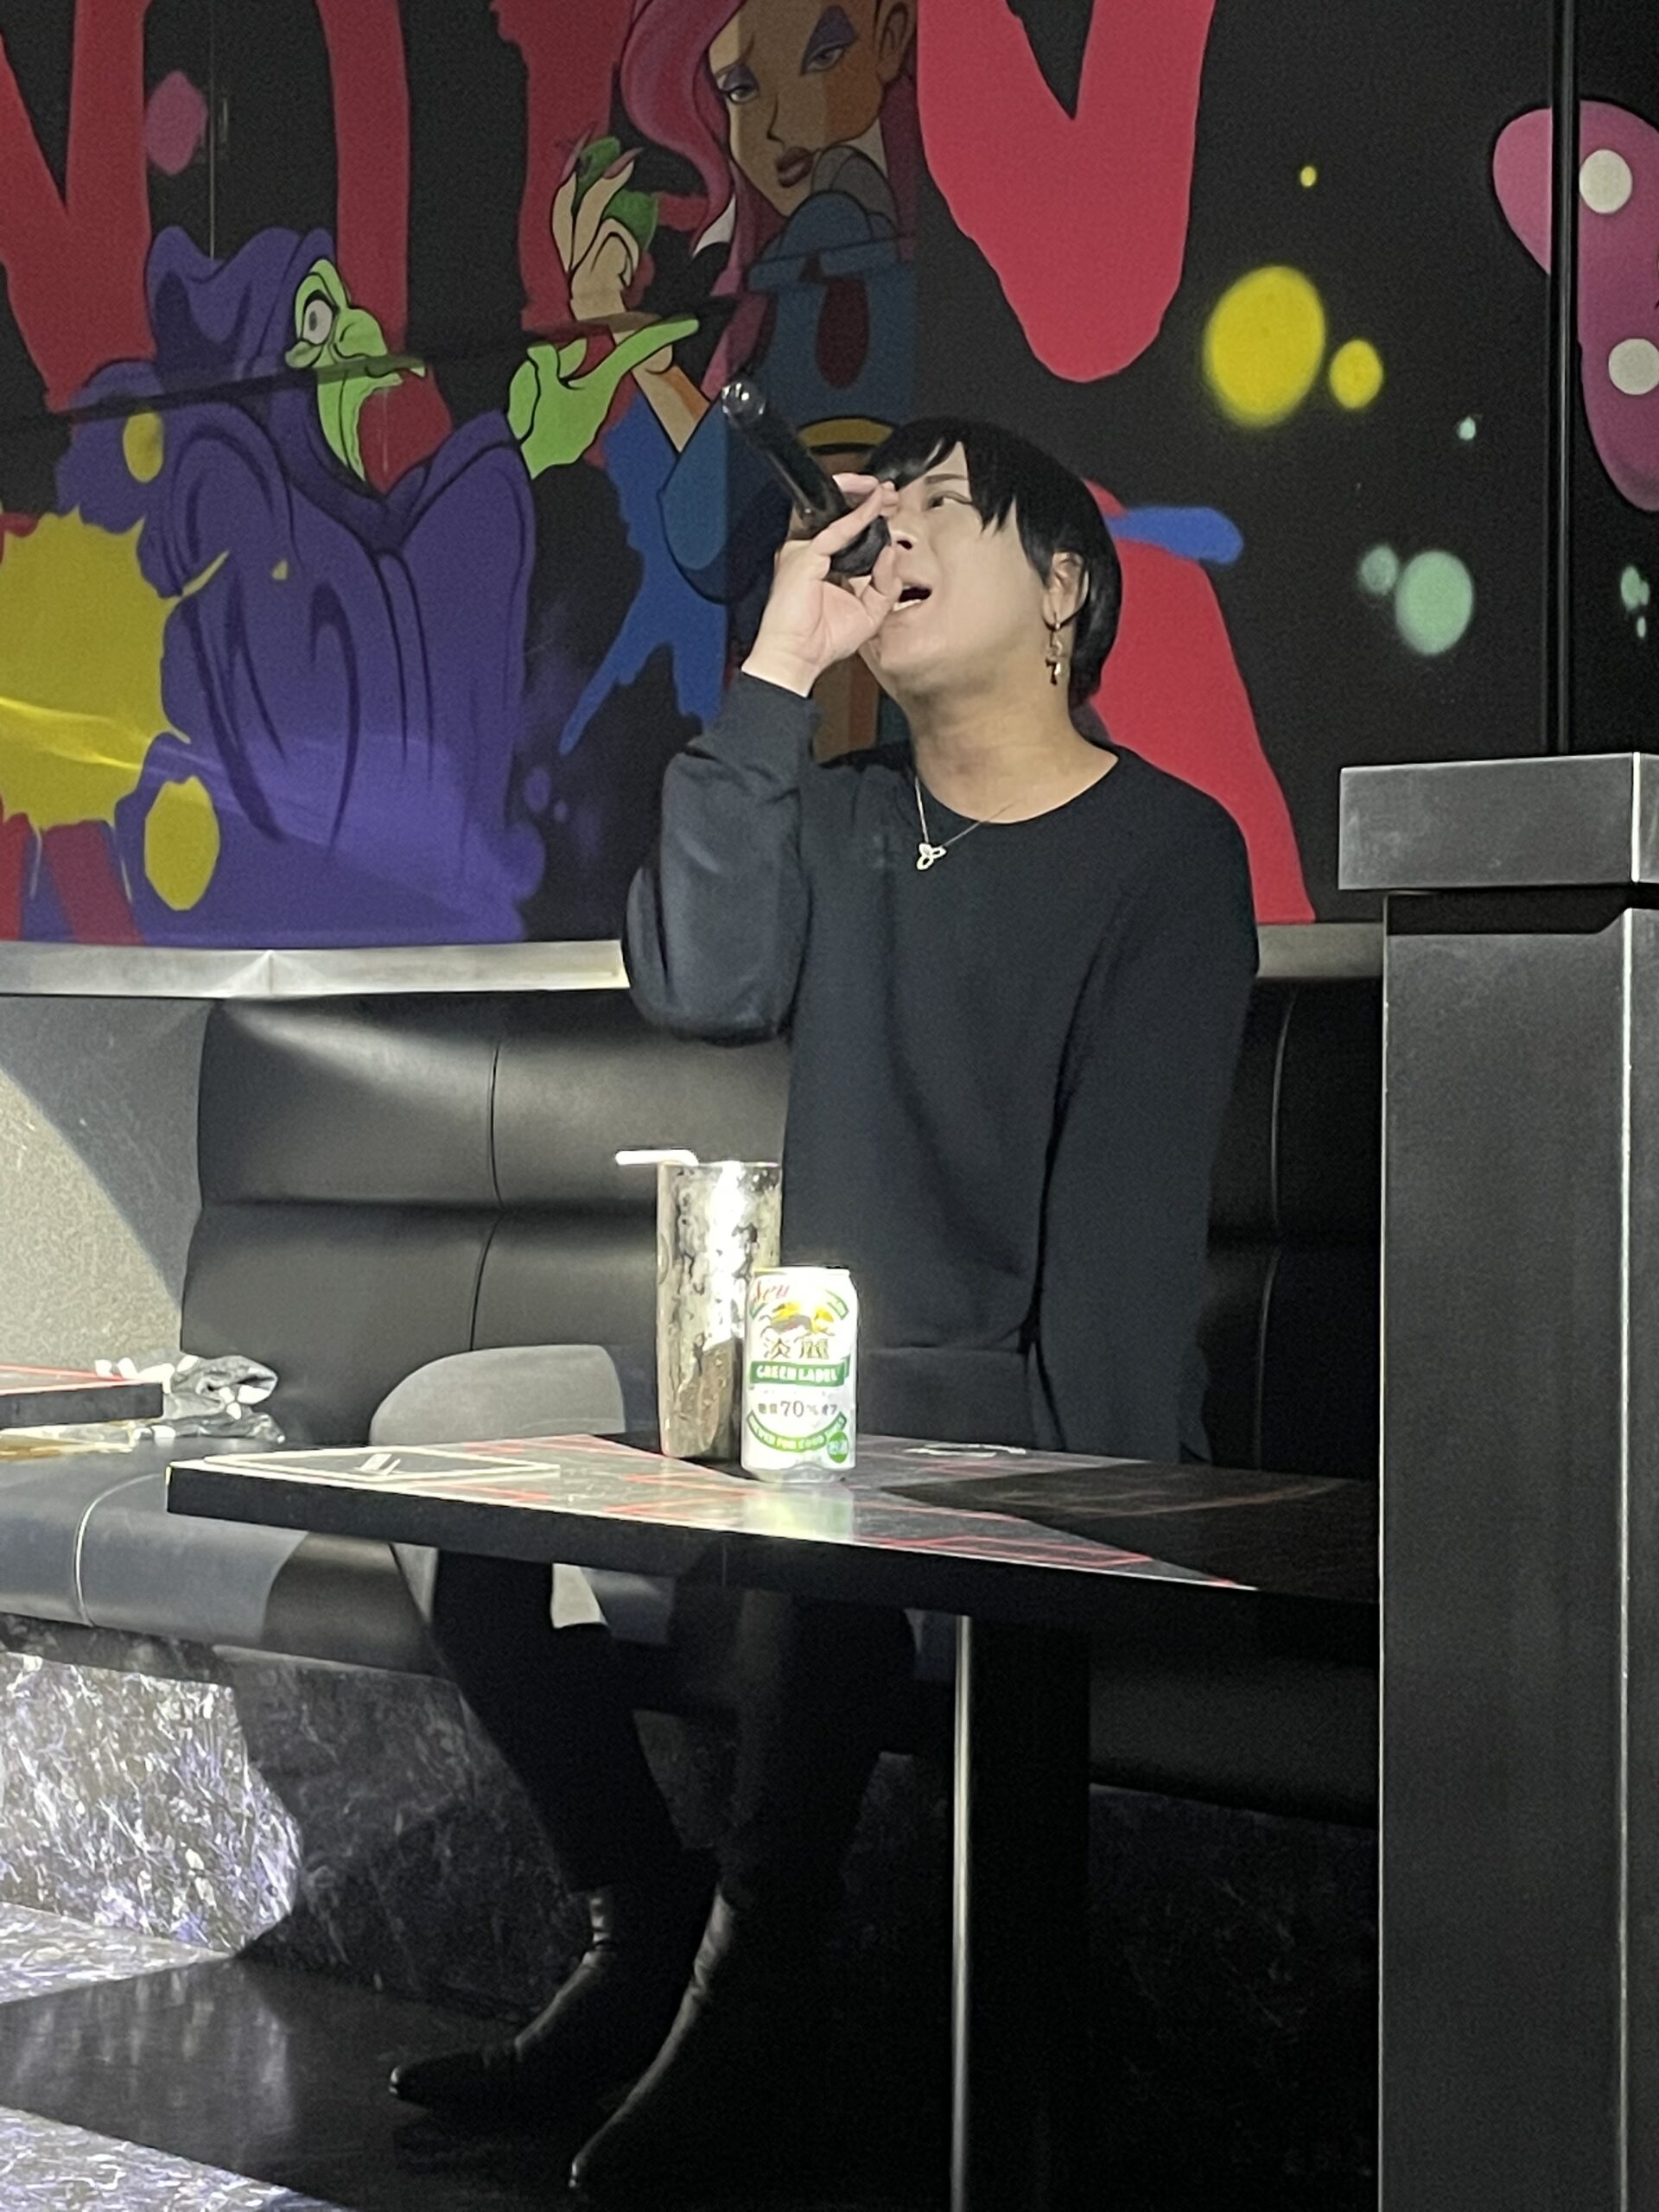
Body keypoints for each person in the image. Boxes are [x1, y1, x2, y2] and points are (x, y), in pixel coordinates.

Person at [391, 417, 1258, 2200]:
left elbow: (1114, 1292)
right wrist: (782, 663)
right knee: (446, 1439)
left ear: (1065, 590)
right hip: (811, 1398)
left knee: (816, 1500)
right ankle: (640, 1916)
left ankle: (752, 1989)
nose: (891, 532)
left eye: (944, 506)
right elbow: (701, 982)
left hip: (1027, 1429)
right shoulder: (846, 817)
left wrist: (1074, 1522)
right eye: (881, 507)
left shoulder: (1168, 853)